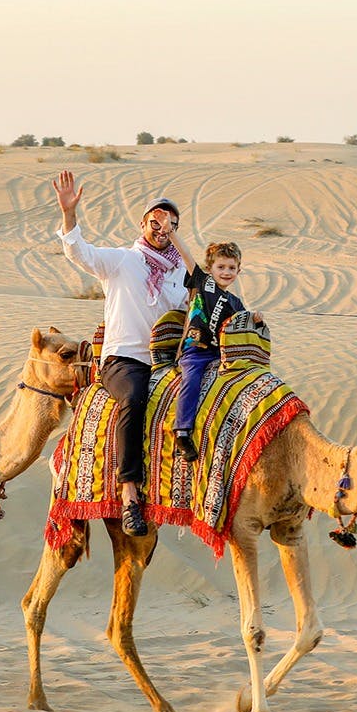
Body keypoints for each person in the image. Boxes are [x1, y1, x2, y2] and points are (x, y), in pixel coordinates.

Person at [53, 170, 187, 536]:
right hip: (124, 360)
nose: (163, 227)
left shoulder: (179, 271)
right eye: (157, 220)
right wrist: (69, 213)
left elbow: (206, 293)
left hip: (166, 361)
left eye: (171, 223)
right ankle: (129, 493)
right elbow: (79, 252)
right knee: (133, 399)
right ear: (143, 222)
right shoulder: (122, 261)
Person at [163, 233, 261, 462]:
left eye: (232, 267)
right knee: (192, 379)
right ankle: (182, 431)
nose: (226, 272)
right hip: (195, 349)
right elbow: (185, 254)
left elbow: (243, 325)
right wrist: (171, 233)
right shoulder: (201, 281)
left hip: (220, 353)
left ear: (238, 270)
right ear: (210, 267)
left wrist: (255, 319)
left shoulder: (236, 303)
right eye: (221, 267)